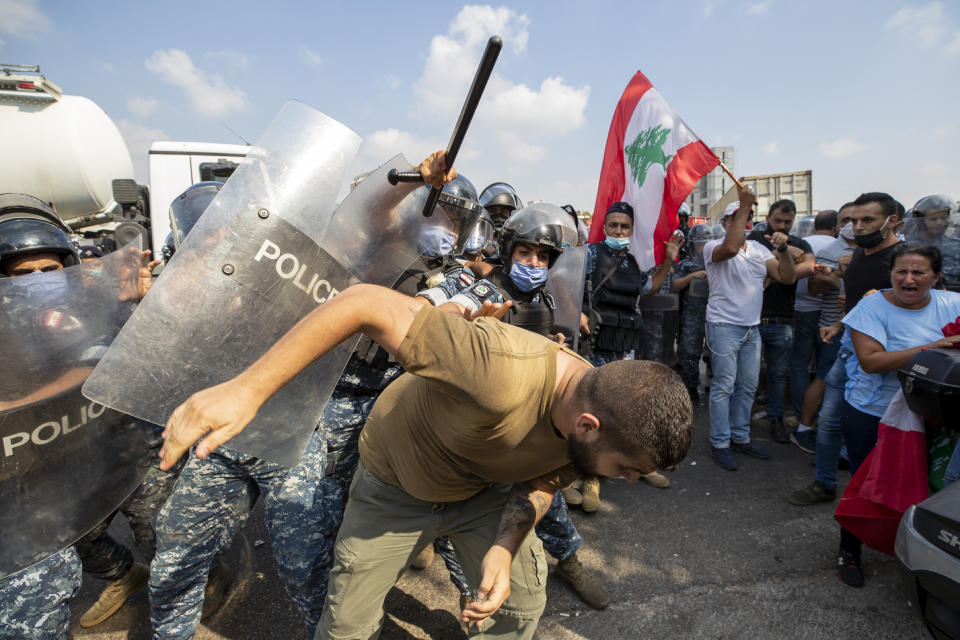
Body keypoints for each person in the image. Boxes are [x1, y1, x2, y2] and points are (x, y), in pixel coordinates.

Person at [156, 159, 693, 640]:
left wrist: (504, 550)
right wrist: (245, 391)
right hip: (397, 482)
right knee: (343, 623)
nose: (627, 481)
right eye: (626, 468)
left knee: (519, 602)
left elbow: (543, 479)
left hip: (477, 486)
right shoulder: (494, 365)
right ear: (589, 427)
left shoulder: (595, 414)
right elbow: (365, 300)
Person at [147, 164, 485, 640]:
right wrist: (412, 177)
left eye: (452, 220)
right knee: (181, 547)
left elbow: (434, 320)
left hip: (381, 411)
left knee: (394, 521)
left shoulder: (460, 282)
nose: (440, 228)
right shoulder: (357, 254)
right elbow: (370, 209)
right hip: (292, 407)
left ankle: (478, 601)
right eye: (432, 212)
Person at [419, 204, 611, 610]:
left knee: (547, 500)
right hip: (482, 424)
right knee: (457, 511)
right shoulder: (490, 291)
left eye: (542, 257)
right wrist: (466, 323)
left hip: (533, 418)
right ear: (508, 253)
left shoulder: (544, 296)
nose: (534, 263)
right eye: (525, 253)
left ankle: (570, 561)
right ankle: (469, 587)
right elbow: (449, 314)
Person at [0, 194, 159, 638]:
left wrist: (135, 305)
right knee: (79, 535)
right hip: (51, 453)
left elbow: (113, 359)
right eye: (23, 274)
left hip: (118, 439)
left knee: (157, 530)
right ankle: (124, 576)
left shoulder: (88, 304)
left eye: (48, 270)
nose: (38, 281)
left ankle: (190, 581)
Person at [833, 243, 960, 587]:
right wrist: (931, 349)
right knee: (868, 487)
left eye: (918, 272)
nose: (908, 279)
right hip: (873, 413)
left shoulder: (953, 303)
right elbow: (871, 362)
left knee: (930, 488)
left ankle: (920, 551)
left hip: (935, 416)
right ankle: (849, 551)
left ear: (935, 277)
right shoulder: (872, 307)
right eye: (900, 272)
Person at [789, 195, 902, 506]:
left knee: (876, 431)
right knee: (829, 421)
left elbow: (919, 303)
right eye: (853, 220)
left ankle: (873, 498)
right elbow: (856, 304)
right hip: (848, 348)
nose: (858, 227)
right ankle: (825, 484)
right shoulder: (859, 255)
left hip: (884, 358)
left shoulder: (903, 260)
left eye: (867, 220)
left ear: (892, 221)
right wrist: (839, 325)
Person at [704, 188, 797, 471]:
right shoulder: (713, 246)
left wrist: (782, 250)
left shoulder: (759, 250)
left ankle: (741, 437)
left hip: (751, 329)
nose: (744, 221)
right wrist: (743, 205)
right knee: (724, 386)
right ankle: (720, 441)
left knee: (747, 387)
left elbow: (787, 277)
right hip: (723, 326)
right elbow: (731, 249)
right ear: (724, 223)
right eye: (736, 217)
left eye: (746, 217)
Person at [746, 199, 816, 443]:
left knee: (777, 374)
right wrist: (784, 257)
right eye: (778, 221)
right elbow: (748, 266)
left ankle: (776, 419)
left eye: (788, 222)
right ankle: (740, 422)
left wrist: (783, 265)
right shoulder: (754, 239)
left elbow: (809, 267)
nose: (783, 226)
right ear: (768, 219)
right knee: (745, 374)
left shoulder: (800, 243)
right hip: (751, 317)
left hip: (783, 319)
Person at [581, 201, 683, 367]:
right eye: (613, 225)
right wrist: (578, 313)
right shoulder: (590, 254)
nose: (618, 231)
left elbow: (650, 287)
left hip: (624, 349)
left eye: (624, 226)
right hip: (593, 350)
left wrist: (668, 260)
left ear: (631, 230)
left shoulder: (632, 263)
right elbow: (567, 286)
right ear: (604, 228)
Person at [787, 209, 839, 452]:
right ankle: (816, 417)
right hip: (829, 313)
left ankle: (801, 414)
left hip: (800, 310)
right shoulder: (837, 246)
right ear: (836, 227)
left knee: (799, 365)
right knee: (823, 370)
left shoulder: (805, 243)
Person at [672, 223, 714, 402]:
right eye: (698, 244)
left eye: (705, 244)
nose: (702, 248)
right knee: (689, 354)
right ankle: (690, 389)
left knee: (716, 353)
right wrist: (692, 277)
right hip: (691, 315)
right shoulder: (685, 265)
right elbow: (674, 285)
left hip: (715, 314)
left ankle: (715, 386)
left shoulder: (718, 262)